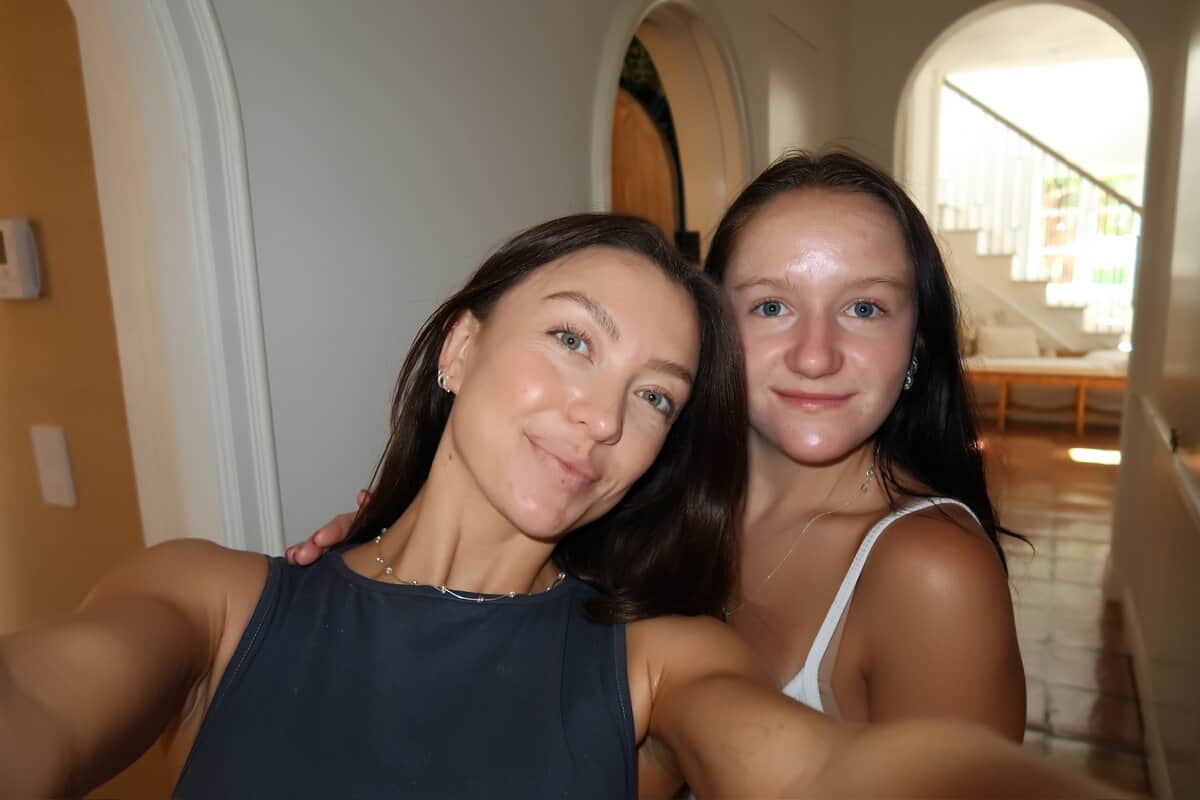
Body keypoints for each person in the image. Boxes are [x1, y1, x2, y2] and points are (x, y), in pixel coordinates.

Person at [0, 213, 1115, 800]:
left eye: (655, 395)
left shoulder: (662, 661)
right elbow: (39, 702)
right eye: (573, 339)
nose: (600, 414)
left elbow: (830, 771)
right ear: (461, 345)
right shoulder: (211, 597)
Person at [291, 152, 1028, 794]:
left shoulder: (932, 571)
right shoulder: (625, 485)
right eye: (771, 305)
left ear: (917, 345)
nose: (815, 355)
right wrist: (397, 554)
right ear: (710, 332)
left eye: (864, 307)